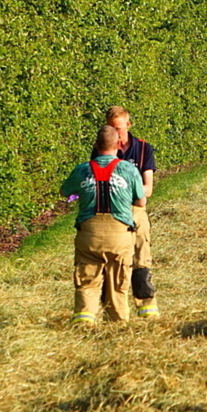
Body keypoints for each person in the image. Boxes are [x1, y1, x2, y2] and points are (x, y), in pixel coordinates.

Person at [62, 125, 145, 325]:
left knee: (87, 282)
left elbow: (66, 191)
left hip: (88, 233)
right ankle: (118, 325)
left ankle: (84, 322)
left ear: (95, 145)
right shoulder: (128, 169)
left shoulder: (82, 169)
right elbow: (141, 202)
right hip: (119, 233)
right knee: (118, 283)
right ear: (118, 144)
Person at [92, 106, 160, 318]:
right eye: (111, 129)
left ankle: (147, 307)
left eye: (119, 129)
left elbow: (148, 189)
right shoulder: (100, 150)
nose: (116, 134)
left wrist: (124, 193)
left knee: (141, 259)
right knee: (113, 263)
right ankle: (113, 311)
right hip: (111, 213)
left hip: (134, 210)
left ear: (128, 126)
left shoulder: (142, 149)